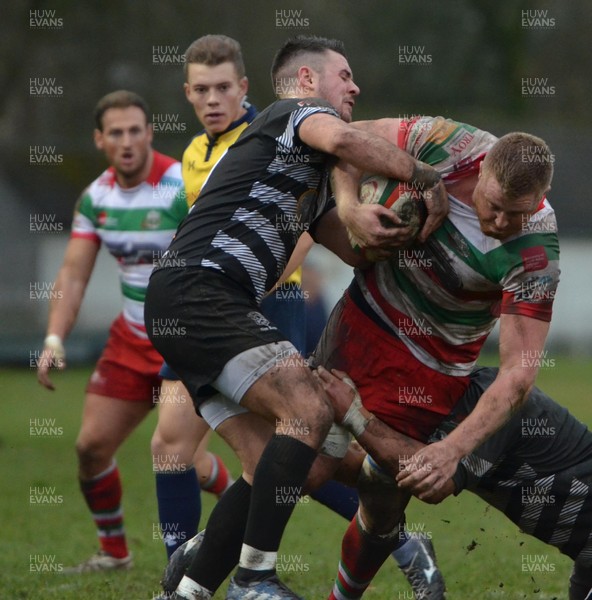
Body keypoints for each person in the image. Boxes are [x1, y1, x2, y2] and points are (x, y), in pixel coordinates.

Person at [145, 35, 448, 600]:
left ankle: (184, 593)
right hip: (201, 290)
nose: (355, 87)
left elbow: (356, 251)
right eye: (345, 76)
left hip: (186, 303)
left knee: (269, 464)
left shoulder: (304, 183)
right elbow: (343, 138)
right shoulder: (292, 113)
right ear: (307, 80)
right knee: (306, 408)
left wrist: (396, 233)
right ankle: (254, 580)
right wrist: (426, 177)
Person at [306, 115, 580, 599]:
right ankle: (221, 567)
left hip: (435, 369)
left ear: (539, 199)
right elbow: (343, 140)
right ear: (484, 170)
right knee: (306, 464)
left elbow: (519, 374)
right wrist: (349, 208)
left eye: (515, 214)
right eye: (493, 207)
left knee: (383, 498)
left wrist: (450, 451)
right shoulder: (446, 144)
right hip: (364, 321)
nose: (500, 223)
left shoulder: (536, 251)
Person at [36, 90, 188, 572]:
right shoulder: (95, 197)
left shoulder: (183, 184)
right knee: (90, 447)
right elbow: (73, 275)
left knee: (187, 460)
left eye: (135, 130)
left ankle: (232, 544)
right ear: (100, 140)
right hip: (129, 341)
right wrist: (54, 338)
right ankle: (114, 553)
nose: (127, 142)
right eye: (116, 133)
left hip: (184, 343)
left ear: (150, 133)